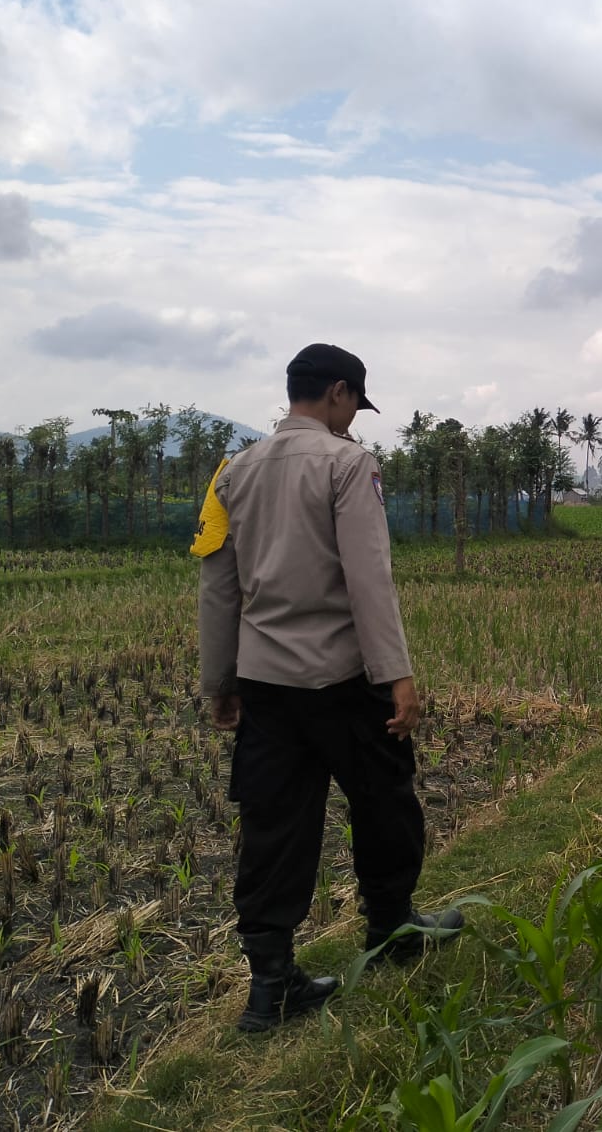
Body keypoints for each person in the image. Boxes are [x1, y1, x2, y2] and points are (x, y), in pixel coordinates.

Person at [194, 342, 463, 1033]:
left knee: (273, 825)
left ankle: (271, 982)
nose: (352, 419)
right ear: (339, 393)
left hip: (266, 684)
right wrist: (396, 675)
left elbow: (217, 586)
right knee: (383, 803)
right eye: (353, 404)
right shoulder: (350, 465)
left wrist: (219, 681)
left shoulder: (233, 473)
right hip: (344, 679)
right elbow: (368, 576)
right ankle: (392, 928)